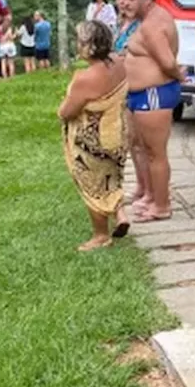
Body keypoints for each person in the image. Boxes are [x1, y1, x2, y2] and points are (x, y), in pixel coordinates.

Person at [59, 21, 133, 251]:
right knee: (112, 176)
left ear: (88, 45)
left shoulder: (86, 78)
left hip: (93, 142)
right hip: (118, 134)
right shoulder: (119, 64)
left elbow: (66, 112)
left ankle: (101, 235)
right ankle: (120, 213)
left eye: (79, 41)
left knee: (92, 185)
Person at [121, 0, 182, 222]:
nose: (124, 3)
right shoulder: (144, 21)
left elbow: (167, 63)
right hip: (139, 95)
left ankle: (162, 205)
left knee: (155, 152)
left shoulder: (151, 26)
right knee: (140, 147)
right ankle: (148, 193)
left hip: (153, 94)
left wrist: (180, 76)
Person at [113, 0, 148, 205]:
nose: (124, 2)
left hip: (141, 89)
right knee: (132, 142)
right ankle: (141, 187)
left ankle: (151, 192)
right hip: (122, 89)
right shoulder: (120, 25)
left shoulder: (144, 26)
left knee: (144, 144)